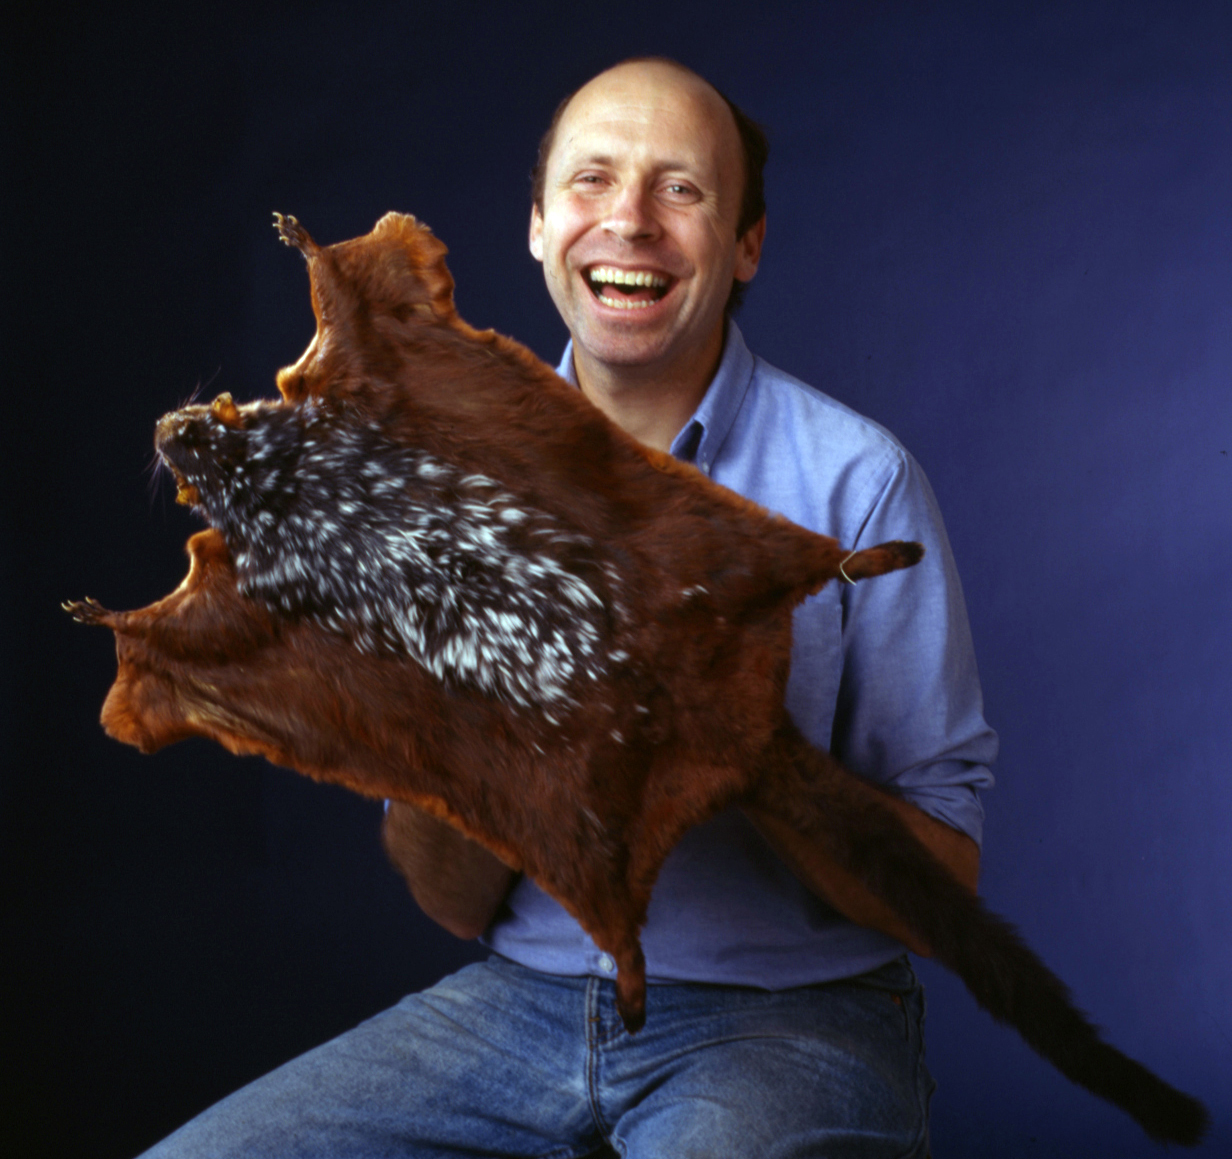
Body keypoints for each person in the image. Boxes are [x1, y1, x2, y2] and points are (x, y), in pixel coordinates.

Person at [141, 57, 996, 1159]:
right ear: (541, 227)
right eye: (590, 183)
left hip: (789, 1024)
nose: (627, 222)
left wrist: (737, 743)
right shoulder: (440, 481)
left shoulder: (854, 484)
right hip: (520, 1009)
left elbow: (947, 895)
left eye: (680, 188)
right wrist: (476, 728)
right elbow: (452, 902)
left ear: (745, 244)